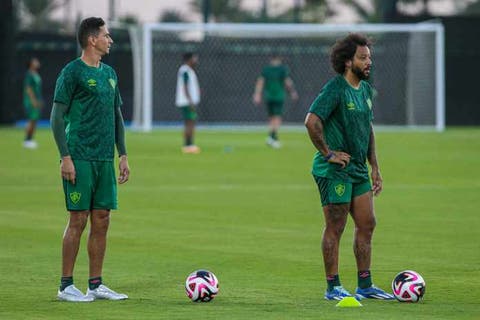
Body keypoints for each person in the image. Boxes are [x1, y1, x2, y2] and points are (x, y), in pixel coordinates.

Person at [304, 33, 394, 301]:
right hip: (334, 171)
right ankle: (333, 287)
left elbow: (367, 127)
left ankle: (365, 286)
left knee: (367, 223)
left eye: (370, 58)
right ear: (347, 62)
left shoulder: (365, 90)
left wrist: (374, 166)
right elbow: (311, 121)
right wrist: (328, 153)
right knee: (336, 226)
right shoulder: (335, 89)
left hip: (357, 169)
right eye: (363, 58)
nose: (369, 63)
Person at [50, 17, 130, 302]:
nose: (110, 40)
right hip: (79, 156)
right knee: (78, 219)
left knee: (102, 219)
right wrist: (65, 157)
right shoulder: (72, 72)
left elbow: (117, 116)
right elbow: (56, 117)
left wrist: (122, 154)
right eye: (106, 36)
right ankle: (66, 286)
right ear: (92, 39)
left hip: (103, 159)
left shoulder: (110, 73)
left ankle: (95, 285)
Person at [253, 55, 298, 148]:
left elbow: (260, 82)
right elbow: (287, 81)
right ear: (279, 59)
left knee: (271, 117)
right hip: (278, 96)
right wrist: (293, 92)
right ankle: (274, 138)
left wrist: (257, 94)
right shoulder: (282, 69)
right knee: (277, 117)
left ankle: (270, 137)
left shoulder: (266, 69)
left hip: (269, 96)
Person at [175, 52, 201, 154]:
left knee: (190, 122)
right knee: (190, 122)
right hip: (186, 102)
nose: (196, 60)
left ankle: (188, 144)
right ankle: (188, 145)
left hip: (187, 101)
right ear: (189, 59)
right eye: (194, 58)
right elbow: (185, 87)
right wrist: (190, 101)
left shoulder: (189, 71)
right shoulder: (185, 70)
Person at [23, 57, 43, 149]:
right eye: (35, 61)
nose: (37, 62)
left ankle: (30, 139)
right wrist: (33, 100)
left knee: (35, 120)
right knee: (31, 120)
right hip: (31, 101)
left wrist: (39, 100)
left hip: (36, 100)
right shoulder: (29, 75)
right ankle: (26, 140)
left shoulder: (36, 74)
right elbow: (29, 89)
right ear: (31, 64)